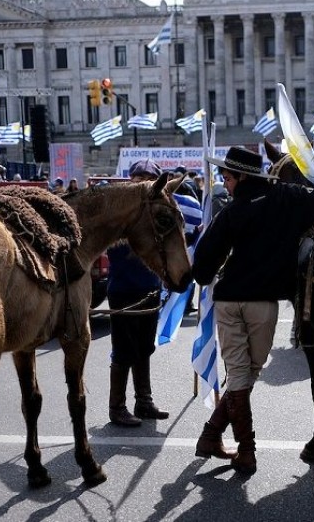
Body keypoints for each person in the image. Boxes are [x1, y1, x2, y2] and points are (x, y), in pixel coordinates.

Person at [192, 146, 314, 473]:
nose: (225, 183)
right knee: (243, 373)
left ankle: (210, 435)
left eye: (228, 177)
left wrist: (209, 269)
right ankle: (246, 450)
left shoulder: (231, 213)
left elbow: (203, 266)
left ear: (243, 176)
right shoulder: (287, 198)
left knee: (244, 374)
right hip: (262, 304)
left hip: (231, 300)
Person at [105, 160, 172, 427]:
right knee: (123, 349)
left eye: (148, 178)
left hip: (150, 287)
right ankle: (116, 407)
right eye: (138, 177)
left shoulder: (158, 212)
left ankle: (144, 401)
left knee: (144, 347)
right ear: (130, 180)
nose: (143, 182)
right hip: (123, 288)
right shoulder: (119, 212)